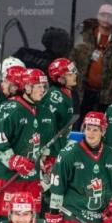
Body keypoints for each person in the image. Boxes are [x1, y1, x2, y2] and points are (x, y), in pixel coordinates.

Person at [0, 69, 48, 221]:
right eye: (39, 86)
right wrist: (14, 160)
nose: (42, 90)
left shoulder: (39, 109)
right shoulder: (9, 109)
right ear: (27, 87)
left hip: (31, 176)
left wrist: (43, 160)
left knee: (32, 218)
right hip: (9, 177)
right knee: (6, 219)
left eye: (43, 86)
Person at [70, 4, 112, 129]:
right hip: (83, 92)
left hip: (108, 96)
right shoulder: (84, 38)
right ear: (97, 16)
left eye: (110, 15)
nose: (106, 18)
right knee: (78, 124)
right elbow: (72, 61)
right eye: (103, 14)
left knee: (103, 127)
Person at [36, 57, 77, 210]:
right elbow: (45, 125)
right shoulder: (55, 97)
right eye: (70, 73)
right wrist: (44, 153)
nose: (74, 75)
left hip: (56, 152)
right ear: (60, 78)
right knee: (48, 197)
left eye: (73, 71)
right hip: (50, 154)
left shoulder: (64, 94)